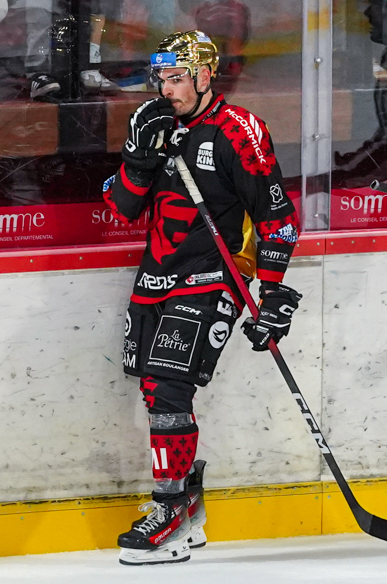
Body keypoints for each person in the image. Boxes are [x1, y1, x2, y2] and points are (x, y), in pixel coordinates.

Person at [102, 30, 302, 565]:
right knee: (155, 392)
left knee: (169, 388)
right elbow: (121, 207)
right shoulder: (153, 124)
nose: (166, 89)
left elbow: (277, 217)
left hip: (214, 274)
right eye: (160, 78)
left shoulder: (238, 130)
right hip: (156, 274)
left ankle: (168, 510)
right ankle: (188, 508)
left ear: (205, 75)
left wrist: (273, 291)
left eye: (176, 78)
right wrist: (137, 159)